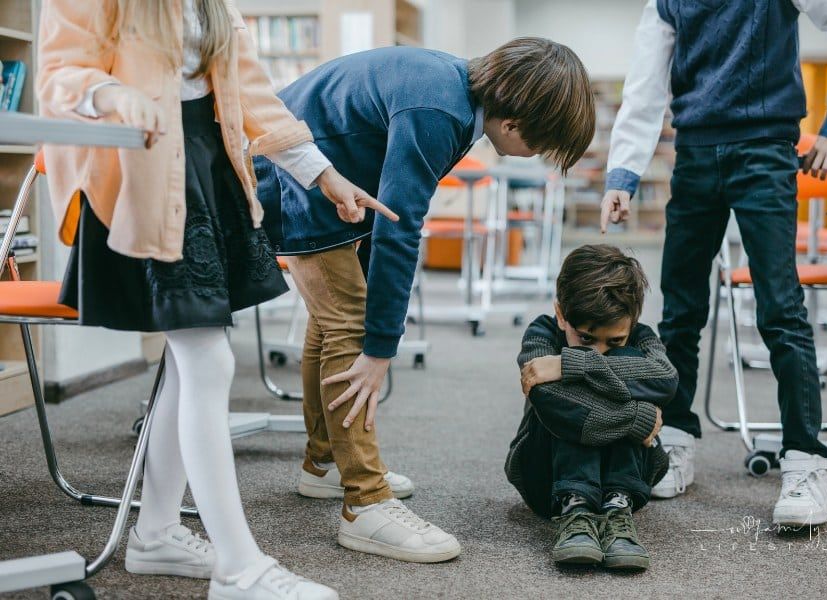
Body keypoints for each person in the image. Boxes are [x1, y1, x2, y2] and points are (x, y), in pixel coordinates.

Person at [38, 1, 394, 598]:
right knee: (207, 361)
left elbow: (248, 92)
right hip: (145, 166)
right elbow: (59, 75)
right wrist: (111, 95)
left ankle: (154, 534)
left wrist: (323, 175)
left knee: (190, 363)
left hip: (206, 161)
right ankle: (237, 568)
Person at [254, 38, 596, 563]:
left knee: (332, 321)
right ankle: (364, 502)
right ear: (514, 123)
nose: (540, 158)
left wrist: (377, 330)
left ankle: (323, 464)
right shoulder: (439, 110)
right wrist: (380, 348)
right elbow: (400, 226)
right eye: (543, 145)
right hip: (292, 175)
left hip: (316, 173)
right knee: (348, 324)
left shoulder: (454, 91)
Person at [600, 0, 827, 526]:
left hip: (765, 152)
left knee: (781, 309)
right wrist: (622, 175)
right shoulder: (666, 3)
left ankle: (804, 459)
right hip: (696, 157)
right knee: (680, 312)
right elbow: (644, 86)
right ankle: (676, 439)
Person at [505, 244, 676, 570]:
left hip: (628, 480)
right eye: (585, 339)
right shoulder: (541, 333)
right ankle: (575, 507)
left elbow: (665, 379)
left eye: (614, 340)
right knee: (564, 399)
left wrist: (576, 364)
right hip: (547, 478)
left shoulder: (640, 337)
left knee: (626, 363)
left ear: (633, 320)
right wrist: (636, 417)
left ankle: (616, 507)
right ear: (560, 314)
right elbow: (551, 401)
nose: (600, 350)